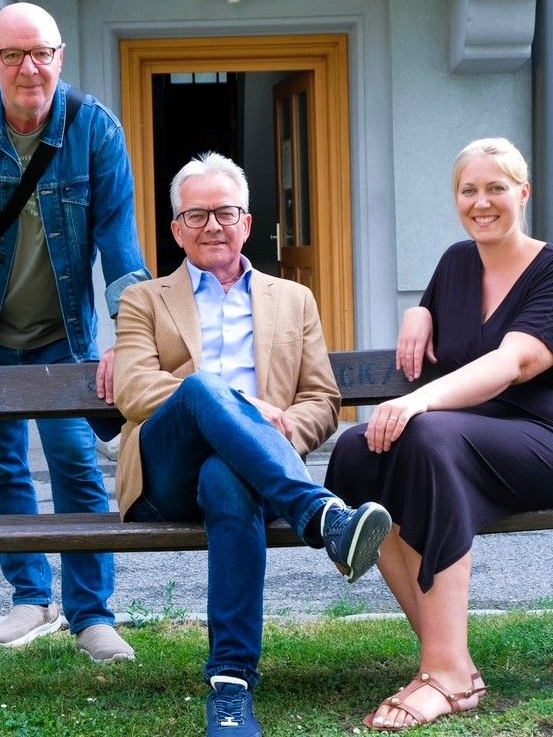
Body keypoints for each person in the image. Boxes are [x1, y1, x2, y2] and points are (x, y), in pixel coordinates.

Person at [325, 138, 553, 731]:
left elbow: (511, 364)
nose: (481, 203)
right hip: (477, 436)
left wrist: (414, 400)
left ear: (523, 194)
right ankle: (451, 662)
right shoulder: (458, 262)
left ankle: (444, 672)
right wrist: (418, 311)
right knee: (359, 451)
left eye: (496, 189)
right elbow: (438, 314)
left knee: (429, 439)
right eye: (469, 190)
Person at [114, 152, 393, 737]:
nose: (212, 225)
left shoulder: (294, 300)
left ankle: (230, 686)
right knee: (202, 389)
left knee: (226, 475)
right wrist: (245, 407)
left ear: (247, 222)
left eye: (225, 212)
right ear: (175, 229)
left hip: (253, 476)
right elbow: (135, 388)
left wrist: (285, 426)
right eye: (196, 215)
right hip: (167, 476)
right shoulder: (145, 300)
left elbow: (321, 399)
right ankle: (322, 518)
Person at [0, 2, 149, 661]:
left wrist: (126, 344)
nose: (29, 68)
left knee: (77, 464)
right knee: (1, 466)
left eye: (40, 52)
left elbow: (121, 246)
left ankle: (91, 613)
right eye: (13, 55)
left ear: (61, 56)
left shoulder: (95, 130)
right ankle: (30, 597)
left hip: (63, 333)